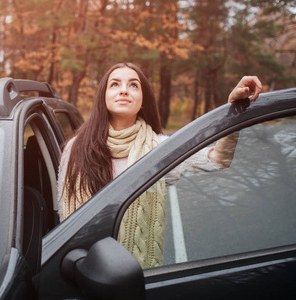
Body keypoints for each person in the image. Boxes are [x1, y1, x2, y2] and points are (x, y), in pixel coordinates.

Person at [57, 62, 262, 268]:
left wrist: (234, 109)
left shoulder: (160, 149)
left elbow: (218, 159)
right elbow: (62, 215)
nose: (124, 90)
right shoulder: (75, 149)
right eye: (115, 84)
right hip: (82, 269)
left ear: (143, 100)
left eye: (133, 85)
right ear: (103, 97)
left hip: (133, 273)